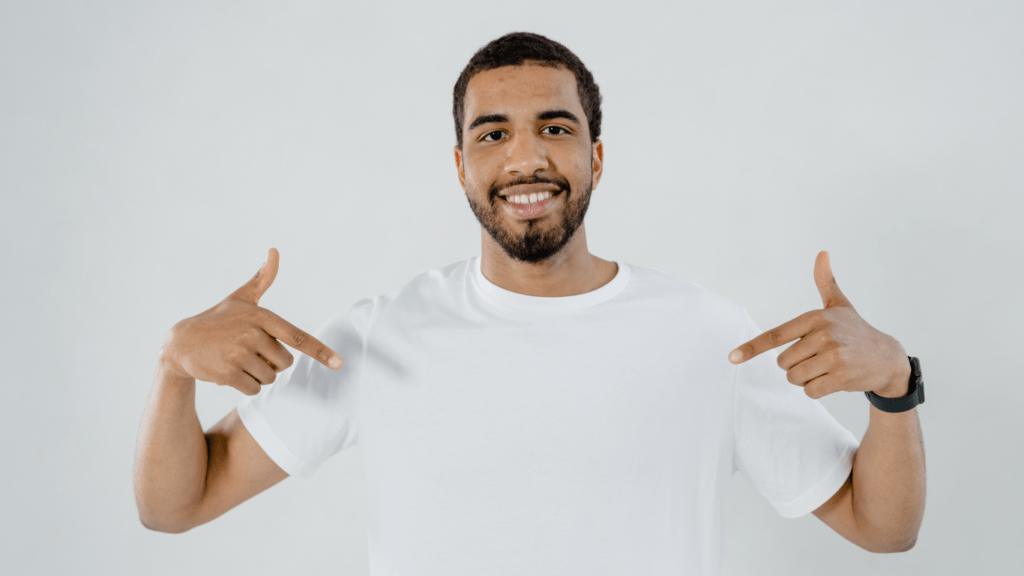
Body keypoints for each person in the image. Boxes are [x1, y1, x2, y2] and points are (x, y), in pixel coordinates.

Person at [134, 32, 925, 574]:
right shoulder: (379, 338)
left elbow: (881, 527)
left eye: (554, 126)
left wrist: (894, 386)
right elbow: (177, 505)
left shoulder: (708, 336)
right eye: (492, 134)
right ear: (459, 165)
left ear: (596, 156)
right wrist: (174, 369)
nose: (525, 158)